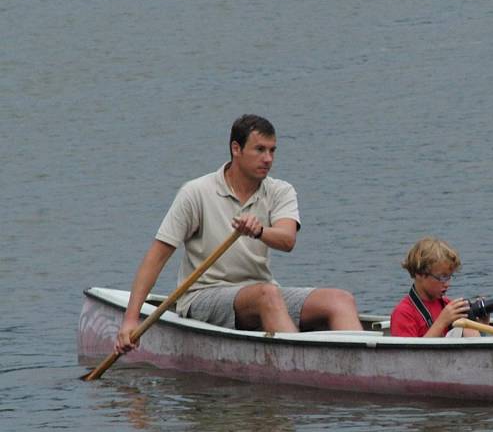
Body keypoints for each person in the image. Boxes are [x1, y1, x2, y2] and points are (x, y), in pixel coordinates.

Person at [114, 114, 362, 354]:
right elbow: (156, 258)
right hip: (203, 296)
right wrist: (130, 320)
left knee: (340, 299)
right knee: (267, 295)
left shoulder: (280, 191)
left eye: (272, 151)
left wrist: (259, 231)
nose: (268, 159)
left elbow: (287, 240)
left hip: (261, 292)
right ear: (236, 148)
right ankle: (300, 364)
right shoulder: (196, 193)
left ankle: (360, 368)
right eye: (260, 149)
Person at [390, 237, 481, 337]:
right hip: (424, 353)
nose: (447, 284)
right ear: (419, 274)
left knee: (469, 328)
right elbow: (410, 353)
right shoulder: (403, 313)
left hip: (450, 352)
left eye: (449, 276)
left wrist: (482, 323)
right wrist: (442, 322)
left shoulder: (447, 305)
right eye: (442, 277)